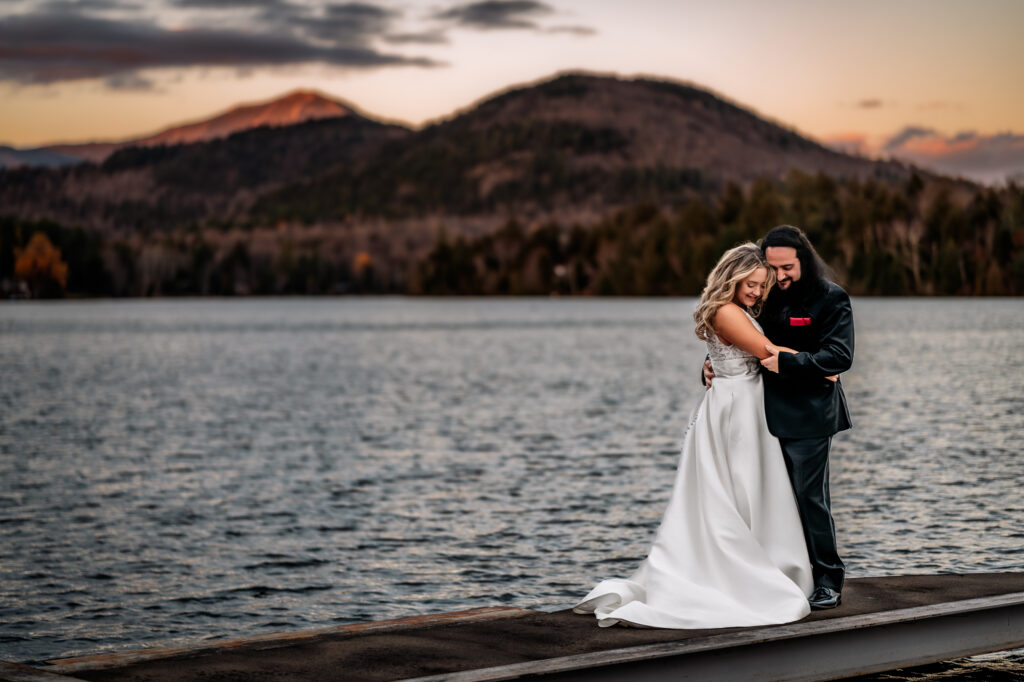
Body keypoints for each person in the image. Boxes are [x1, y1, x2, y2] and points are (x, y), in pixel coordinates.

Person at [574, 243, 814, 628]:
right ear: (732, 277)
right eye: (751, 284)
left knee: (749, 490)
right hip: (736, 411)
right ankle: (738, 579)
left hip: (745, 405)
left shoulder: (735, 310)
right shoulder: (724, 311)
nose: (756, 292)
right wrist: (824, 365)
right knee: (737, 490)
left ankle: (759, 565)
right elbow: (766, 351)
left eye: (761, 286)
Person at [743, 225, 854, 610]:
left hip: (809, 416)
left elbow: (839, 357)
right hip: (757, 414)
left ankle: (828, 581)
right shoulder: (759, 297)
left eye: (787, 267)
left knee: (810, 499)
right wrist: (708, 366)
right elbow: (739, 340)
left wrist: (788, 361)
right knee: (766, 499)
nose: (779, 276)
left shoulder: (831, 298)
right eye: (771, 268)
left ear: (803, 260)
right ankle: (781, 576)